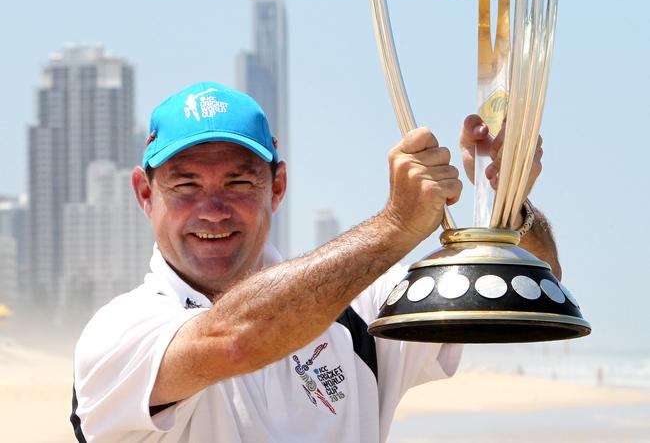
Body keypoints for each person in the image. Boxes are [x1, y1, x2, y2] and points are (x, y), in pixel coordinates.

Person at [71, 81, 558, 442]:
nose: (212, 209)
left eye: (239, 183)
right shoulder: (120, 332)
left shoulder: (356, 312)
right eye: (185, 185)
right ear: (144, 193)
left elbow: (535, 287)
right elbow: (234, 340)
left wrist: (504, 201)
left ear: (277, 187)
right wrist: (395, 226)